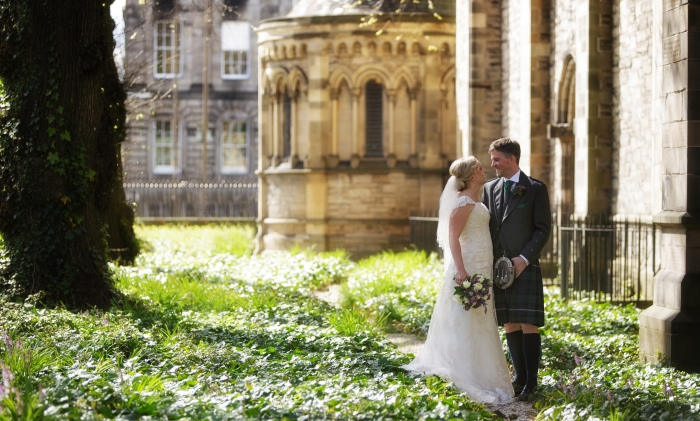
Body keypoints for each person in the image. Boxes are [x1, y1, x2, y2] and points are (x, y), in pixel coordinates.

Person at [403, 156, 514, 405]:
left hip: (482, 265)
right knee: (464, 316)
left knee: (481, 317)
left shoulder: (478, 199)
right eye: (480, 168)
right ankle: (464, 372)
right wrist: (461, 270)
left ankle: (482, 371)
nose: (484, 171)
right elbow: (453, 238)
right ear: (472, 176)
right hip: (468, 266)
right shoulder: (463, 201)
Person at [482, 138, 551, 402]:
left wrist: (523, 258)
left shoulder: (534, 188)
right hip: (499, 268)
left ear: (512, 159)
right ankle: (519, 378)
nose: (493, 164)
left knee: (528, 322)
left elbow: (543, 228)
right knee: (509, 321)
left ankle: (531, 383)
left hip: (524, 265)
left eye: (497, 159)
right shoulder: (489, 189)